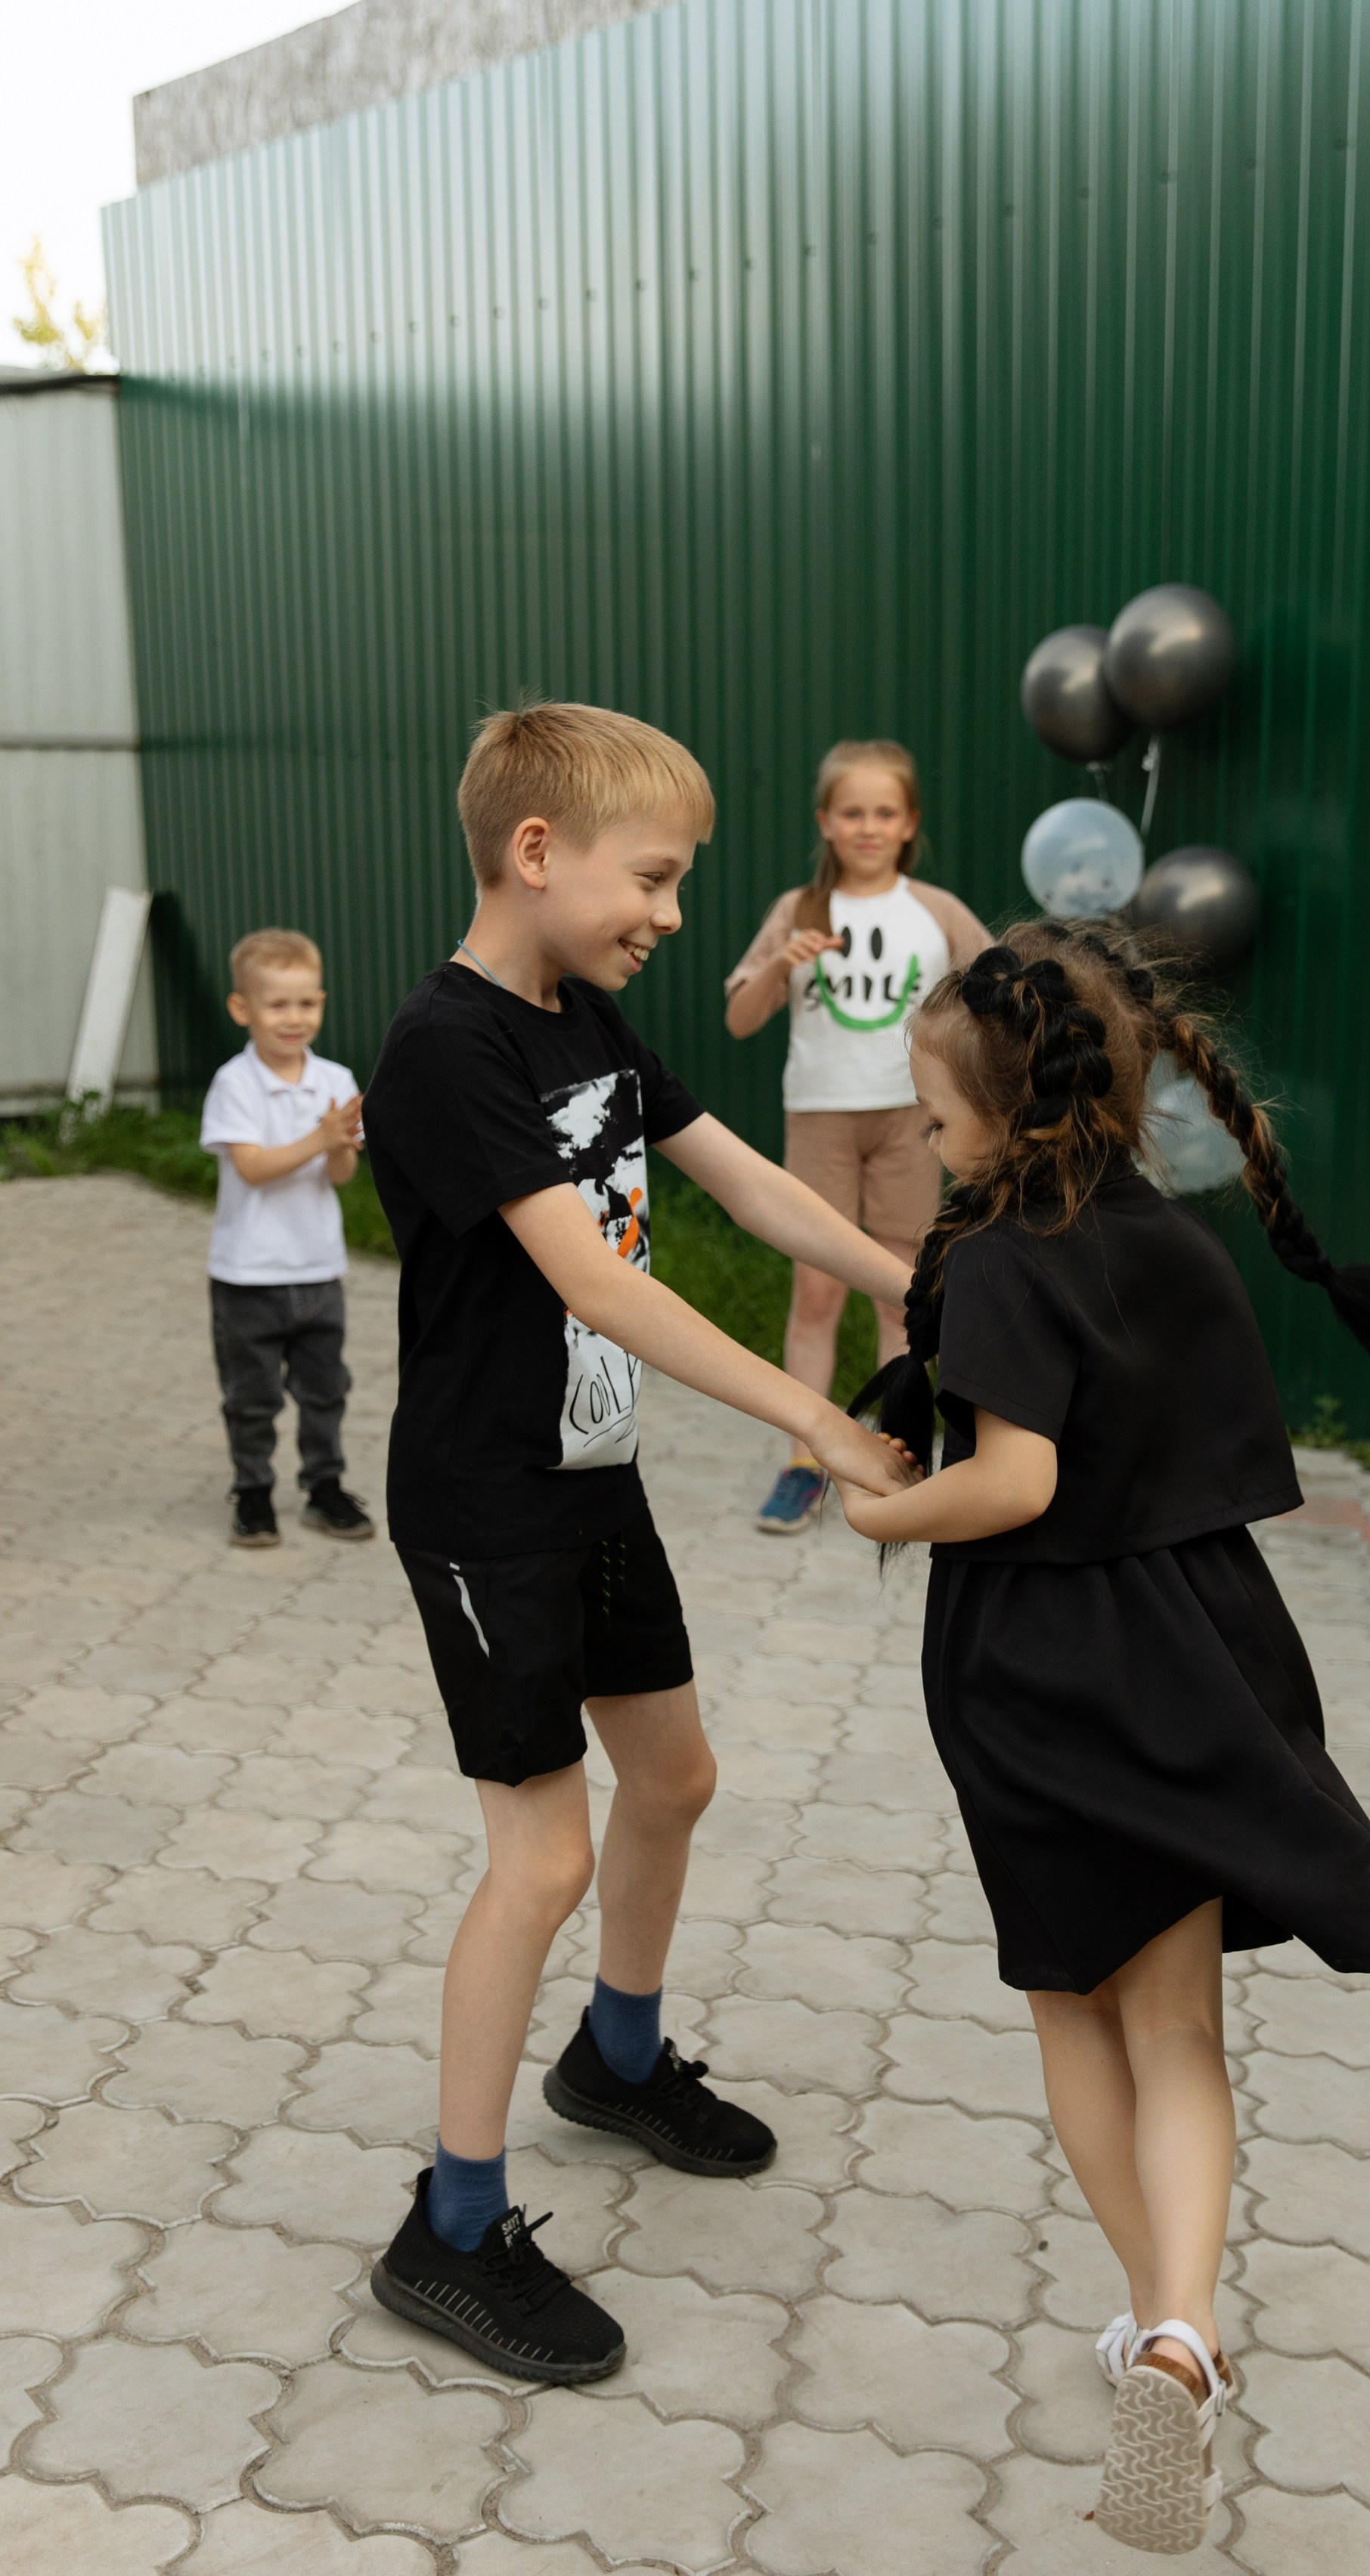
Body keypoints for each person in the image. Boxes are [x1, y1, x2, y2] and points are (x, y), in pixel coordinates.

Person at [828, 923, 1370, 2555]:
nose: (921, 1128)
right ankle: (1177, 2333)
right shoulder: (1162, 1236)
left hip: (1038, 1671)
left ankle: (1158, 2326)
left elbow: (1016, 1482)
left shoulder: (1005, 1259)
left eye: (931, 1107)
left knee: (1066, 2007)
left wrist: (879, 1515)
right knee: (1178, 2032)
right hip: (1196, 1654)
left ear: (1006, 1106)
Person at [360, 703, 913, 2386]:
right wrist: (812, 1418)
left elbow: (746, 1183)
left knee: (671, 1784)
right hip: (482, 1503)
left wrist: (922, 1282)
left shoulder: (584, 1015)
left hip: (587, 1478)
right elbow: (596, 1282)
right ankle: (448, 2231)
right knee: (541, 1859)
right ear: (537, 852)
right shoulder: (446, 1047)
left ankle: (613, 2061)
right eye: (653, 877)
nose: (672, 912)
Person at [724, 739, 988, 1531]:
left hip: (913, 1122)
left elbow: (1001, 983)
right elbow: (738, 1020)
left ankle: (893, 1455)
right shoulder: (798, 909)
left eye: (884, 812)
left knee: (899, 1292)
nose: (867, 827)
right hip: (819, 1119)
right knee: (815, 1292)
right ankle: (805, 1460)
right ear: (825, 822)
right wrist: (778, 965)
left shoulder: (935, 910)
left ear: (908, 823)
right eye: (851, 812)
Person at [199, 928, 373, 1548]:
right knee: (252, 1397)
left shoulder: (335, 1078)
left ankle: (324, 1488)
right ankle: (252, 1493)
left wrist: (338, 1148)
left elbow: (343, 1172)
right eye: (278, 1005)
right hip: (249, 1275)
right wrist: (319, 1140)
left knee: (326, 1389)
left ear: (322, 1003)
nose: (295, 1018)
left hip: (319, 1269)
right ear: (242, 1009)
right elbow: (252, 1168)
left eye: (307, 1003)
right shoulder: (235, 1083)